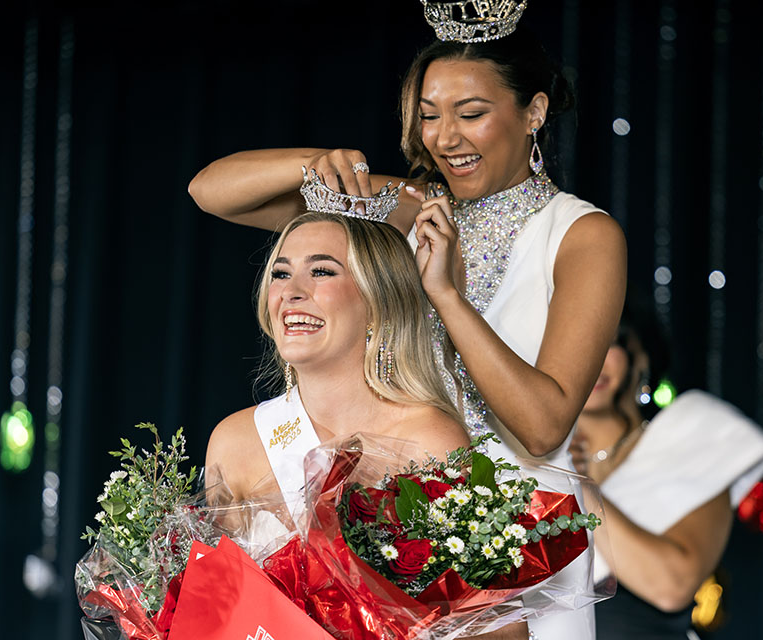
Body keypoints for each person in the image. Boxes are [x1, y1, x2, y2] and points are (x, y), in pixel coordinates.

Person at [190, 27, 626, 637]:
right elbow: (210, 192)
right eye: (428, 115)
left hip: (509, 550)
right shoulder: (407, 205)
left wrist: (446, 293)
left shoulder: (582, 235)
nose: (446, 137)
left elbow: (542, 424)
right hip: (387, 528)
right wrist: (312, 165)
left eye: (470, 113)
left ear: (534, 111)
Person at [204, 209, 526, 639]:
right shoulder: (234, 441)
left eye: (321, 271)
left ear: (378, 300)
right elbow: (214, 607)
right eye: (280, 275)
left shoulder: (428, 440)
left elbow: (497, 629)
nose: (292, 292)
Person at [568, 293, 763, 639]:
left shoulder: (692, 439)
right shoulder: (524, 460)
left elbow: (673, 586)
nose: (591, 356)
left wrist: (581, 486)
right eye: (574, 342)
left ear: (641, 360)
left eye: (610, 341)